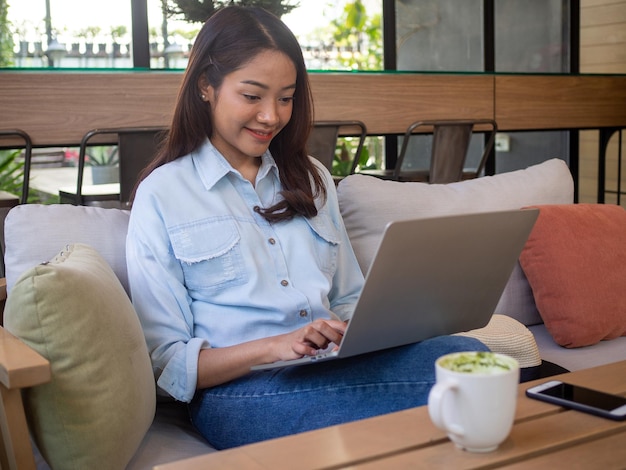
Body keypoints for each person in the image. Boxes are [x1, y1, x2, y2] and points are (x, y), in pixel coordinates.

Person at [126, 5, 488, 450]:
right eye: (252, 96)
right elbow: (167, 363)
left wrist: (375, 326)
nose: (271, 116)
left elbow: (348, 297)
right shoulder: (162, 194)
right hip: (237, 393)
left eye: (285, 97)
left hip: (333, 367)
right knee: (424, 399)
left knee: (470, 359)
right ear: (206, 85)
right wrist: (277, 346)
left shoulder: (312, 176)